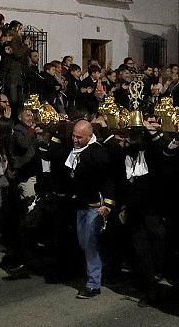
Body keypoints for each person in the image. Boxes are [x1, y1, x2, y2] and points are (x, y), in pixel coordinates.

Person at [67, 120, 116, 299]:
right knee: (84, 243)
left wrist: (108, 204)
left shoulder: (98, 154)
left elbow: (108, 180)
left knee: (90, 244)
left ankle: (93, 284)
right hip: (80, 205)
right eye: (74, 135)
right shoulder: (74, 151)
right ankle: (103, 270)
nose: (75, 140)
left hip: (94, 207)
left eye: (79, 137)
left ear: (89, 136)